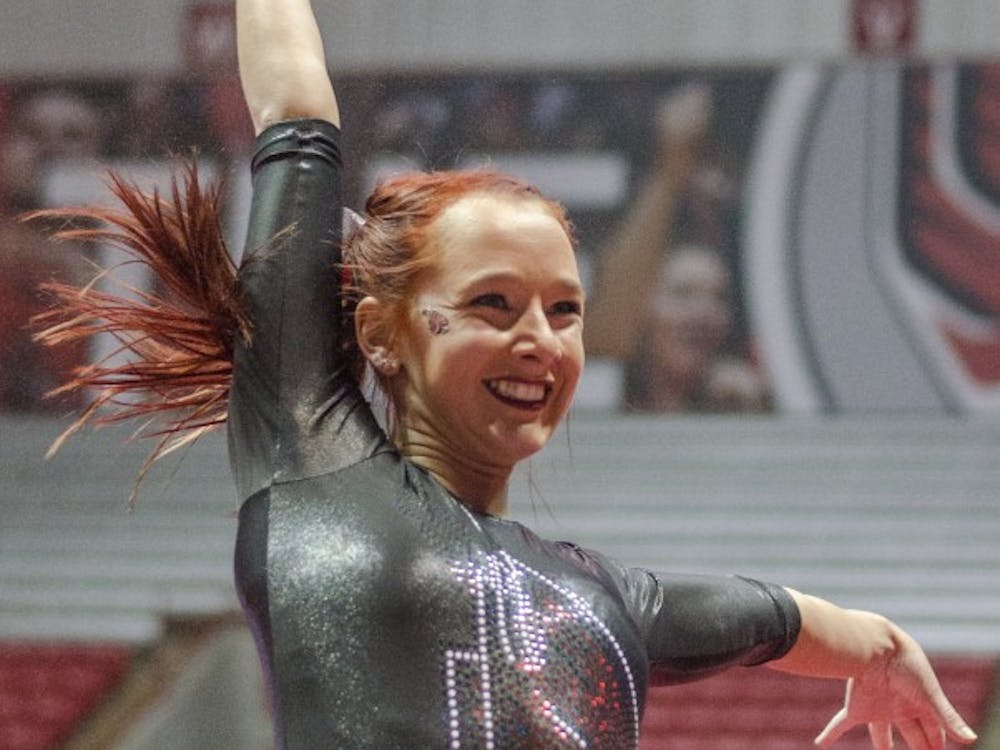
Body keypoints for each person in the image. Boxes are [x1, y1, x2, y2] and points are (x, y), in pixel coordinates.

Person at [33, 1, 977, 748]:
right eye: (494, 304)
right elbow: (296, 113)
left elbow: (763, 615)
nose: (541, 339)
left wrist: (882, 645)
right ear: (382, 332)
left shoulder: (603, 597)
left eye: (563, 310)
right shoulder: (320, 473)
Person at [585, 85, 770, 413]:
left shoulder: (746, 399)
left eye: (719, 297)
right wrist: (670, 167)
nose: (702, 313)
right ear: (641, 311)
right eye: (682, 294)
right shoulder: (603, 404)